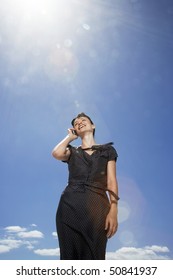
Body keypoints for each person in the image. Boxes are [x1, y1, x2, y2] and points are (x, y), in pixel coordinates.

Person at [52, 112, 119, 260]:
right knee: (68, 256)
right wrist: (70, 137)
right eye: (76, 123)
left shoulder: (107, 150)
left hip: (98, 206)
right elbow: (56, 153)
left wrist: (113, 209)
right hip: (69, 206)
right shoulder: (73, 151)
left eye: (83, 120)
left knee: (96, 255)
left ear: (93, 125)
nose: (79, 122)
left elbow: (111, 181)